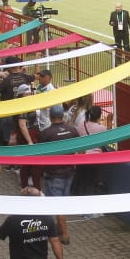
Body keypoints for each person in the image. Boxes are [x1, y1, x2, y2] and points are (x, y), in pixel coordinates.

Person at [37, 104, 78, 244]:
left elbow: (40, 154)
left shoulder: (46, 133)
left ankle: (64, 235)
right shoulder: (72, 130)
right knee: (63, 201)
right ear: (62, 116)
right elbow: (81, 150)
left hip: (54, 174)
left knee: (57, 204)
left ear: (50, 116)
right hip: (69, 172)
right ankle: (59, 229)